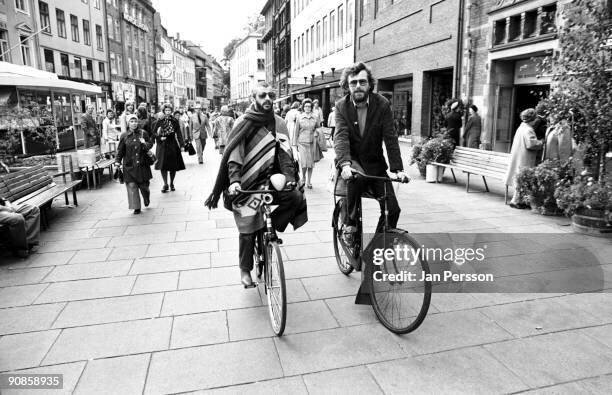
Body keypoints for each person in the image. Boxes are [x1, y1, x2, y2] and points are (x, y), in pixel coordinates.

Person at [204, 82, 307, 287]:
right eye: (262, 95)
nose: (267, 99)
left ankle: (271, 228)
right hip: (246, 182)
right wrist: (234, 182)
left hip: (271, 180)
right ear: (254, 98)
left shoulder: (279, 123)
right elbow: (234, 155)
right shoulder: (242, 122)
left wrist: (291, 179)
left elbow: (285, 154)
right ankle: (245, 269)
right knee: (248, 227)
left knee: (295, 197)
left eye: (270, 95)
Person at [334, 62, 408, 256]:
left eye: (362, 82)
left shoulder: (381, 103)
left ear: (369, 84)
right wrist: (344, 164)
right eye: (353, 83)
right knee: (355, 178)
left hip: (375, 163)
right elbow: (340, 136)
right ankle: (350, 225)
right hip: (353, 160)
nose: (357, 86)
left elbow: (390, 137)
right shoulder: (341, 106)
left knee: (393, 210)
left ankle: (376, 247)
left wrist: (398, 169)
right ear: (347, 86)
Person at [504, 108, 544, 209]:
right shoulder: (528, 130)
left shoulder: (522, 127)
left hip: (519, 156)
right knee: (522, 179)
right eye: (535, 119)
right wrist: (541, 142)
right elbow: (531, 144)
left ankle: (520, 201)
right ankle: (515, 201)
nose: (536, 121)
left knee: (521, 179)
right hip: (524, 157)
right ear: (532, 119)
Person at [115, 114, 154, 214]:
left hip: (142, 164)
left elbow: (150, 144)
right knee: (132, 186)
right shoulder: (124, 136)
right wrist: (117, 162)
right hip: (129, 166)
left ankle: (146, 197)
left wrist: (144, 143)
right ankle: (136, 207)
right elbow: (120, 150)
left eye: (135, 121)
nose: (134, 123)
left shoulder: (143, 133)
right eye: (131, 121)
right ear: (128, 123)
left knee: (144, 186)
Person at [154, 104, 185, 192]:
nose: (168, 112)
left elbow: (179, 133)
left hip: (172, 144)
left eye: (169, 110)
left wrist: (182, 145)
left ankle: (171, 183)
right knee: (162, 166)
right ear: (163, 111)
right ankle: (165, 184)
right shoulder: (159, 121)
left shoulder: (174, 121)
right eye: (166, 110)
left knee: (173, 166)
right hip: (162, 145)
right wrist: (160, 137)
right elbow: (154, 133)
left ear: (171, 111)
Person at [292, 98, 319, 189]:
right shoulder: (299, 117)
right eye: (306, 106)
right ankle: (303, 178)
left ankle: (309, 181)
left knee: (310, 163)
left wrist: (317, 132)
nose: (307, 108)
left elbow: (318, 128)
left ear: (311, 107)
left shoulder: (315, 116)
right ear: (303, 107)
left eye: (309, 106)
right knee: (303, 163)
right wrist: (294, 144)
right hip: (302, 142)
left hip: (312, 142)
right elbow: (296, 131)